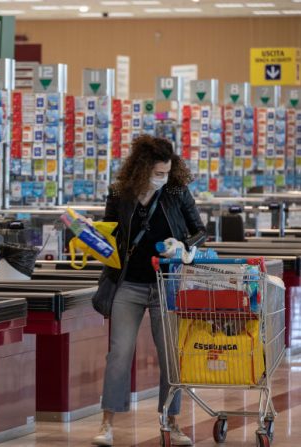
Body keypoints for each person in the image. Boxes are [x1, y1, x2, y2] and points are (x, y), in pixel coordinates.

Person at [92, 136, 206, 446]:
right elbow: (109, 234)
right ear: (142, 169)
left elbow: (200, 232)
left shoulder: (175, 191)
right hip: (127, 283)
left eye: (167, 171)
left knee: (170, 355)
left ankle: (171, 422)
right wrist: (91, 238)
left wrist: (184, 246)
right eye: (158, 172)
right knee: (118, 354)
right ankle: (106, 424)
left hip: (166, 284)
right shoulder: (120, 193)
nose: (163, 177)